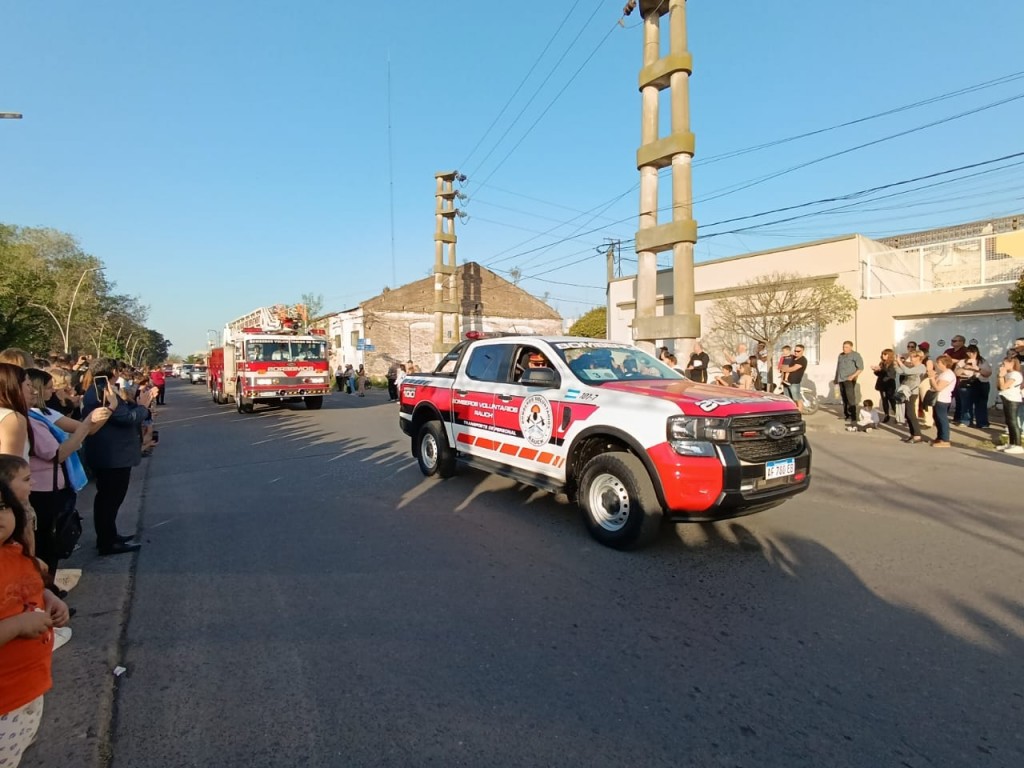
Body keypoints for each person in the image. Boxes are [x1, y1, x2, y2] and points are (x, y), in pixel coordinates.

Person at [0, 475, 71, 766]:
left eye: (3, 506)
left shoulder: (14, 552)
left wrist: (49, 599)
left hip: (29, 688)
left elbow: (27, 585)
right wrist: (17, 626)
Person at [81, 359, 155, 556]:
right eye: (119, 370)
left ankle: (110, 536)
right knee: (110, 499)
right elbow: (125, 418)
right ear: (113, 371)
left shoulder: (100, 389)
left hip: (110, 454)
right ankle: (107, 541)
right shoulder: (103, 392)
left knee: (108, 499)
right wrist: (143, 406)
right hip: (112, 456)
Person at [954, 345, 991, 429]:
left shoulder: (983, 362)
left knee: (981, 404)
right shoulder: (962, 362)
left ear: (977, 353)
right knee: (965, 404)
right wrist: (965, 367)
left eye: (973, 352)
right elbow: (956, 373)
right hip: (966, 383)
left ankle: (982, 422)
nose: (971, 354)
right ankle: (966, 421)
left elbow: (988, 373)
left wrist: (976, 368)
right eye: (968, 352)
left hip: (980, 383)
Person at [0, 364, 31, 462]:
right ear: (13, 387)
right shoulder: (11, 418)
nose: (33, 391)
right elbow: (11, 468)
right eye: (28, 385)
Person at [894, 350, 927, 443]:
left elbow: (907, 371)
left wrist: (900, 362)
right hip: (906, 391)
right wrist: (896, 364)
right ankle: (913, 434)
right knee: (907, 414)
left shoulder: (921, 367)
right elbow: (901, 371)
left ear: (918, 358)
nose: (910, 358)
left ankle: (917, 435)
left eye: (912, 357)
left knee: (910, 413)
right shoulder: (913, 366)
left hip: (912, 392)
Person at [927, 354, 956, 448]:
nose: (937, 364)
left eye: (938, 362)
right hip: (938, 399)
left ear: (944, 364)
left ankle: (945, 440)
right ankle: (940, 437)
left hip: (942, 399)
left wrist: (932, 378)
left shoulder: (948, 374)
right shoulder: (942, 373)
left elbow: (938, 388)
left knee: (942, 419)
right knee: (937, 418)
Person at [996, 356, 1023, 454]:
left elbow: (1004, 386)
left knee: (1013, 422)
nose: (1002, 366)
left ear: (1012, 364)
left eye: (1004, 364)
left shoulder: (1015, 374)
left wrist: (1001, 376)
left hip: (1013, 399)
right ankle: (1011, 443)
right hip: (1006, 398)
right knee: (1008, 421)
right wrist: (999, 375)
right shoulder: (1008, 373)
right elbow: (999, 386)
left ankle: (1018, 445)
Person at [834, 341, 864, 424]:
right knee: (844, 398)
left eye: (846, 347)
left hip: (849, 379)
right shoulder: (841, 355)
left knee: (850, 398)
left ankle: (854, 417)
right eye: (843, 347)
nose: (844, 349)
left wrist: (853, 376)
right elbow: (838, 367)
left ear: (851, 347)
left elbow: (860, 368)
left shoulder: (855, 355)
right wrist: (836, 378)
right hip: (841, 379)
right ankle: (846, 414)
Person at [871, 349, 898, 424]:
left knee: (892, 399)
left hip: (889, 384)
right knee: (884, 400)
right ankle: (886, 415)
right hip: (882, 384)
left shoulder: (893, 363)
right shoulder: (882, 363)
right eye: (882, 354)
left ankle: (897, 415)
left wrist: (881, 369)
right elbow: (879, 374)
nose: (883, 356)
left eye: (885, 354)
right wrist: (876, 370)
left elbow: (890, 374)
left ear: (889, 355)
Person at [780, 345, 807, 411]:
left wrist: (785, 369)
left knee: (796, 398)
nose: (796, 352)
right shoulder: (792, 358)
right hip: (786, 382)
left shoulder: (802, 360)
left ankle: (800, 411)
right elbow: (783, 366)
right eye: (795, 351)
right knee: (788, 399)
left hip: (794, 382)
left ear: (802, 351)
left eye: (798, 351)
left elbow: (791, 369)